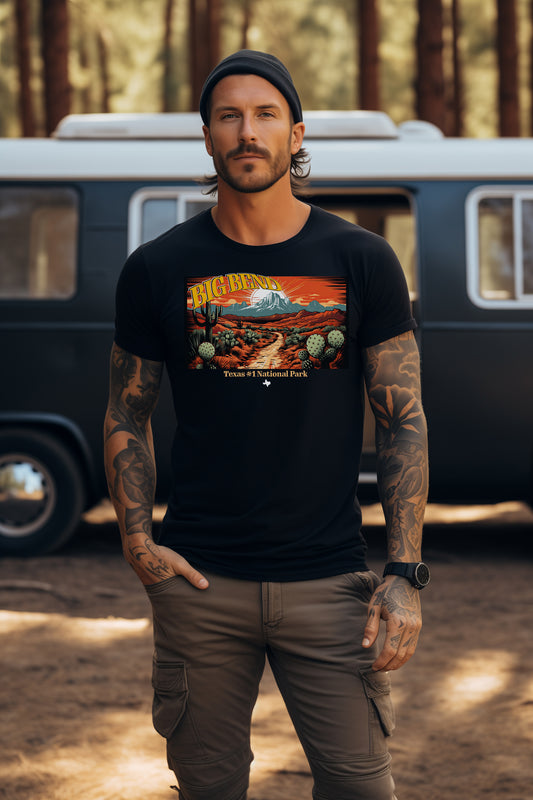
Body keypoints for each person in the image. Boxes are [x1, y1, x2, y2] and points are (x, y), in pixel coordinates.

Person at [104, 49, 429, 800]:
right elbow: (127, 409)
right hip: (199, 583)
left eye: (264, 114)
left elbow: (403, 422)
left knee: (359, 786)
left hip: (329, 582)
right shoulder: (157, 268)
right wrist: (137, 543)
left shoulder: (362, 259)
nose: (246, 132)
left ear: (294, 133)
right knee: (209, 788)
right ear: (209, 139)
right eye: (228, 116)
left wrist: (403, 574)